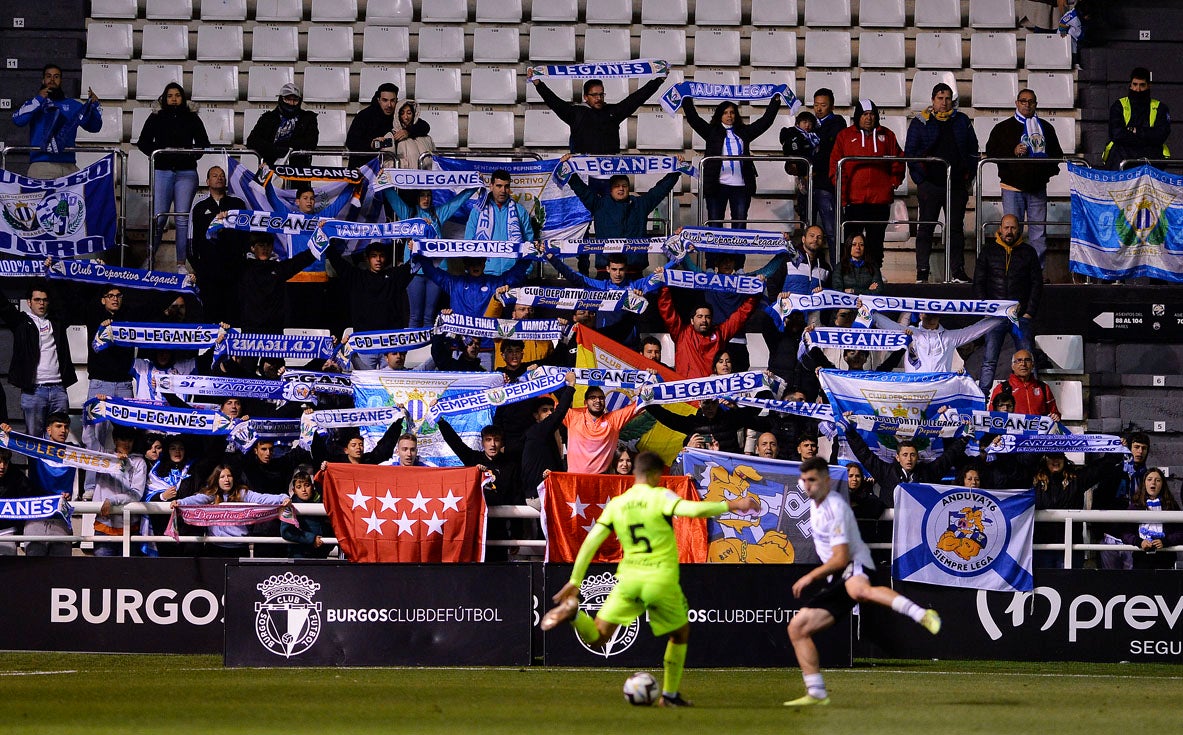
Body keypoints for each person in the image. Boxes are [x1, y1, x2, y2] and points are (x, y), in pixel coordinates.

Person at [541, 451, 761, 707]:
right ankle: (669, 695)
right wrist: (733, 505)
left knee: (599, 637)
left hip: (629, 579)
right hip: (660, 580)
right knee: (680, 635)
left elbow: (591, 541)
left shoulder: (618, 503)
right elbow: (692, 510)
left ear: (635, 472)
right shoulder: (660, 495)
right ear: (657, 474)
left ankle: (575, 614)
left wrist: (576, 581)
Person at [784, 457, 941, 706]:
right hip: (839, 577)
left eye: (812, 480)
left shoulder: (836, 508)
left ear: (826, 481)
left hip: (854, 566)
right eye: (803, 480)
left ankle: (921, 614)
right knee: (798, 628)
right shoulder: (817, 503)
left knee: (859, 590)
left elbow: (841, 558)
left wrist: (810, 576)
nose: (807, 486)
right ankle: (816, 692)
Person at [559, 154, 683, 276]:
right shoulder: (599, 204)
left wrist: (676, 171)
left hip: (634, 272)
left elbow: (660, 190)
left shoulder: (640, 204)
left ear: (629, 188)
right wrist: (569, 170)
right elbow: (581, 189)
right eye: (617, 186)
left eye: (624, 186)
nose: (621, 189)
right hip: (605, 272)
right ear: (610, 189)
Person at [904, 83, 979, 284]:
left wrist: (966, 175)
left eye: (947, 98)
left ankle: (957, 272)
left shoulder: (961, 120)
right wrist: (922, 178)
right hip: (930, 185)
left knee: (955, 228)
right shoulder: (921, 121)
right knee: (926, 227)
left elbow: (973, 150)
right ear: (932, 100)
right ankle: (922, 272)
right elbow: (910, 152)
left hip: (956, 185)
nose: (944, 102)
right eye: (940, 98)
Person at [985, 90, 1065, 268]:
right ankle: (1012, 270)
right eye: (1023, 101)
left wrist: (1045, 173)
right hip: (1012, 188)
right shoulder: (1002, 128)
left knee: (1038, 233)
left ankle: (1037, 272)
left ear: (1036, 104)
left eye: (1031, 102)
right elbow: (991, 153)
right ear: (1016, 103)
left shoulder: (1046, 128)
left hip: (1037, 189)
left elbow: (1057, 156)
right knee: (1012, 231)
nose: (1027, 105)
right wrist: (1011, 152)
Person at [136, 82, 210, 269]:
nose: (174, 99)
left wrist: (189, 152)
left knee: (182, 219)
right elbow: (143, 142)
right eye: (170, 95)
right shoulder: (156, 117)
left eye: (177, 95)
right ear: (164, 98)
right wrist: (162, 151)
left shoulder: (192, 118)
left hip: (186, 172)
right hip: (163, 171)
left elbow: (203, 143)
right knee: (159, 218)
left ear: (183, 98)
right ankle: (150, 258)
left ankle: (180, 264)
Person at [683, 96, 783, 230]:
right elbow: (694, 119)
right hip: (716, 185)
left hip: (740, 185)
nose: (729, 116)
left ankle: (738, 252)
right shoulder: (712, 132)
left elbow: (765, 122)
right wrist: (686, 98)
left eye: (732, 112)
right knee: (714, 223)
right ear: (719, 115)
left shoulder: (744, 132)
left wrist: (775, 102)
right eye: (725, 113)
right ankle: (714, 252)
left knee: (740, 224)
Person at [386, 187, 480, 328]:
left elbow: (457, 202)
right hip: (414, 272)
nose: (426, 199)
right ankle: (413, 350)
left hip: (435, 272)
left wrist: (473, 186)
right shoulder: (409, 214)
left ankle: (428, 350)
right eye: (422, 195)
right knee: (415, 316)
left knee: (430, 316)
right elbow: (393, 199)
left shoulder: (437, 214)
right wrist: (383, 182)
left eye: (428, 195)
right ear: (417, 198)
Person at [830, 98, 904, 270]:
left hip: (879, 200)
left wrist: (893, 182)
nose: (868, 118)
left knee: (875, 241)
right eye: (864, 114)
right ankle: (849, 274)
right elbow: (835, 166)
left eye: (871, 114)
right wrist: (842, 194)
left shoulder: (888, 135)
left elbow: (899, 159)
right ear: (858, 116)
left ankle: (874, 275)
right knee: (851, 241)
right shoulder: (845, 136)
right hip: (854, 200)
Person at [973, 214, 1043, 392]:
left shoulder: (1028, 252)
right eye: (1006, 228)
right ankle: (983, 399)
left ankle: (1034, 397)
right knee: (989, 360)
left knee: (1028, 359)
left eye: (1013, 228)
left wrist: (1029, 312)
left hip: (1020, 318)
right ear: (1000, 229)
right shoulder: (988, 251)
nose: (1009, 232)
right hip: (994, 316)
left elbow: (1037, 284)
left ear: (1018, 229)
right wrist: (985, 310)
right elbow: (978, 282)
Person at [0, 283, 76, 439]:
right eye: (37, 300)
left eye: (44, 300)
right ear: (29, 302)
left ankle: (54, 465)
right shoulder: (21, 322)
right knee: (33, 441)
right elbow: (3, 306)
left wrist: (54, 273)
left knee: (58, 439)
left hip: (58, 389)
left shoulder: (57, 321)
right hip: (34, 391)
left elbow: (72, 300)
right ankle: (35, 465)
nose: (41, 303)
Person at [173, 463, 291, 557]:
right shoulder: (212, 494)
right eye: (222, 477)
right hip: (215, 548)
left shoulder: (242, 493)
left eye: (229, 476)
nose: (226, 480)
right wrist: (180, 502)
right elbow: (197, 499)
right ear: (216, 479)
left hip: (239, 548)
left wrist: (283, 498)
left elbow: (262, 498)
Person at [327, 241, 412, 369]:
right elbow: (336, 261)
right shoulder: (356, 277)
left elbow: (414, 265)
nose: (378, 260)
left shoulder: (394, 277)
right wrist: (324, 235)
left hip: (389, 346)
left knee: (389, 386)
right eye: (374, 256)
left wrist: (416, 249)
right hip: (365, 346)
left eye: (381, 255)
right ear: (366, 259)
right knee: (364, 385)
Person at [12, 63, 103, 179]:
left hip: (69, 167)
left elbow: (94, 127)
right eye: (48, 76)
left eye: (56, 76)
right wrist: (38, 99)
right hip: (42, 166)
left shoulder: (73, 105)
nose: (52, 80)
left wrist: (95, 106)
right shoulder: (34, 103)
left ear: (61, 80)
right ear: (43, 80)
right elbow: (18, 120)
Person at [548, 253, 659, 347]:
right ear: (607, 269)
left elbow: (658, 277)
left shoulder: (635, 286)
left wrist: (665, 268)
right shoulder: (601, 287)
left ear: (626, 269)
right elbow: (574, 277)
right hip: (604, 342)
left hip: (629, 344)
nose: (618, 274)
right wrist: (551, 258)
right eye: (614, 269)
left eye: (621, 270)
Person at [5, 414, 76, 556]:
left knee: (61, 571)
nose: (63, 430)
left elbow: (96, 452)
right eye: (58, 426)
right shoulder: (35, 448)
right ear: (48, 430)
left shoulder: (76, 453)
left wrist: (116, 461)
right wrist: (5, 434)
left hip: (60, 519)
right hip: (35, 519)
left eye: (66, 427)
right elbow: (9, 449)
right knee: (33, 571)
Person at [844, 430, 967, 508]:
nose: (909, 459)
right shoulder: (886, 472)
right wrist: (849, 432)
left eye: (912, 455)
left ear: (917, 457)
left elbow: (948, 458)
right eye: (905, 455)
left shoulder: (927, 473)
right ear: (897, 457)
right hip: (891, 527)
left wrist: (964, 439)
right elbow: (864, 454)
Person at [189, 166, 249, 324]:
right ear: (208, 181)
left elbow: (245, 234)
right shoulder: (199, 208)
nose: (219, 178)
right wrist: (200, 267)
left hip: (234, 270)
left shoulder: (237, 204)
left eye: (222, 175)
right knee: (210, 313)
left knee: (233, 313)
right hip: (209, 272)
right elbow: (192, 241)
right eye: (215, 175)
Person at [657, 287, 758, 379]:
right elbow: (667, 311)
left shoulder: (720, 333)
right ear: (692, 320)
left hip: (713, 392)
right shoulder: (682, 333)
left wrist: (755, 292)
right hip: (687, 393)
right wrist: (664, 288)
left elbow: (741, 315)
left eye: (707, 317)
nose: (704, 320)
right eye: (700, 317)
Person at [868, 306, 1003, 373]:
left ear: (939, 316)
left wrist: (1002, 316)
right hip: (915, 387)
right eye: (928, 315)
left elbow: (974, 330)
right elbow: (888, 325)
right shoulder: (910, 332)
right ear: (921, 315)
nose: (932, 318)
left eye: (935, 315)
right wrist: (869, 310)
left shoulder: (949, 337)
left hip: (939, 388)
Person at [236, 233, 317, 333]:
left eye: (268, 245)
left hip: (275, 329)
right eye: (261, 245)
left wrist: (322, 238)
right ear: (252, 248)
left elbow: (304, 258)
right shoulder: (242, 269)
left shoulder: (279, 269)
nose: (265, 249)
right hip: (249, 328)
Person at [464, 170, 536, 276]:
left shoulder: (520, 211)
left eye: (506, 186)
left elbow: (529, 242)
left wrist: (525, 271)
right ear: (491, 186)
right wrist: (471, 271)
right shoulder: (478, 210)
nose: (503, 190)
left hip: (513, 274)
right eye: (499, 186)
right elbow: (468, 243)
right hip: (484, 274)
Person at [91, 425, 147, 556]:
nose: (127, 443)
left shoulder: (139, 462)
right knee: (102, 575)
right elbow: (88, 439)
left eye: (130, 440)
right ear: (115, 440)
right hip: (103, 526)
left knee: (127, 575)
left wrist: (112, 501)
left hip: (129, 528)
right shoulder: (103, 457)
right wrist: (89, 413)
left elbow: (136, 494)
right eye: (123, 439)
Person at [345, 83, 431, 168]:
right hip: (365, 167)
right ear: (378, 100)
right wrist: (372, 144)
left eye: (392, 100)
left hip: (390, 167)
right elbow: (351, 142)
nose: (389, 105)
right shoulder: (364, 116)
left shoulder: (397, 114)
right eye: (385, 100)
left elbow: (424, 126)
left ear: (396, 100)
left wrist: (408, 131)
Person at [563, 385, 643, 475]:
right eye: (593, 397)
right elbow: (552, 405)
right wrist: (569, 384)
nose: (597, 400)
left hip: (601, 481)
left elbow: (640, 404)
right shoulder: (573, 416)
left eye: (601, 398)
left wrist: (647, 383)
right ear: (585, 402)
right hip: (574, 480)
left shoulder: (613, 420)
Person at [1103, 67, 1171, 169]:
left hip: (1151, 160)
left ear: (1149, 86)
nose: (1137, 89)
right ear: (1130, 84)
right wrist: (1146, 136)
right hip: (1121, 158)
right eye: (1135, 84)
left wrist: (1135, 130)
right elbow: (1117, 134)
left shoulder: (1160, 108)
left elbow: (1161, 135)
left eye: (1142, 85)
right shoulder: (1119, 105)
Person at [809, 89, 848, 255]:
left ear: (831, 106)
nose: (818, 109)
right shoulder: (808, 123)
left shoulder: (837, 124)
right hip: (808, 185)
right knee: (808, 231)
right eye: (816, 105)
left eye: (823, 105)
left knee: (832, 231)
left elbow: (827, 152)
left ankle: (836, 269)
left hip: (826, 184)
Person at [1121, 468, 1182, 570]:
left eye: (1157, 480)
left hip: (1165, 559)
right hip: (1141, 559)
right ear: (1144, 483)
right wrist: (1139, 542)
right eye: (1149, 479)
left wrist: (1165, 541)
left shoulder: (1171, 506)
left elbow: (1180, 533)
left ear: (1162, 484)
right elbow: (1125, 533)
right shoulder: (1135, 506)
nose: (1153, 482)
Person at [246, 82, 319, 167]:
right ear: (281, 99)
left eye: (295, 100)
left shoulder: (308, 118)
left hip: (298, 167)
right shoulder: (268, 117)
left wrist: (284, 148)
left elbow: (311, 142)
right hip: (270, 164)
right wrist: (274, 150)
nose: (291, 103)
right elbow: (252, 141)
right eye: (288, 99)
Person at [989, 349, 1061, 420]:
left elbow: (1054, 413)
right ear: (1012, 366)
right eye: (1019, 360)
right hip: (1012, 431)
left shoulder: (1043, 387)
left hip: (1038, 431)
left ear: (1032, 365)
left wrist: (1055, 416)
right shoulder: (1002, 388)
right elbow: (992, 416)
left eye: (1027, 360)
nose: (1023, 364)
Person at [780, 110, 820, 230]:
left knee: (812, 207)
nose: (807, 125)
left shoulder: (815, 136)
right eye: (804, 122)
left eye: (810, 123)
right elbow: (792, 155)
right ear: (798, 123)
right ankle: (805, 233)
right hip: (803, 175)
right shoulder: (792, 135)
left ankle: (811, 232)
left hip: (815, 175)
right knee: (804, 206)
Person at [280, 469, 333, 559]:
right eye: (299, 487)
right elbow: (286, 531)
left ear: (312, 486)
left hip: (320, 555)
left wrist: (325, 547)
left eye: (307, 485)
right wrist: (311, 539)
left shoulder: (323, 504)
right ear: (294, 490)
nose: (304, 490)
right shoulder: (289, 506)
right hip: (299, 555)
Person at [380, 98, 435, 169]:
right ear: (397, 115)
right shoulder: (391, 136)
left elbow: (436, 160)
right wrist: (406, 165)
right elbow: (386, 163)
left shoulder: (426, 137)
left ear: (414, 114)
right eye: (402, 113)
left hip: (426, 178)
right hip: (404, 178)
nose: (405, 117)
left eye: (409, 113)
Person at [0, 449, 32, 556]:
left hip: (7, 531)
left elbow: (30, 498)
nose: (2, 466)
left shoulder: (17, 477)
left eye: (5, 462)